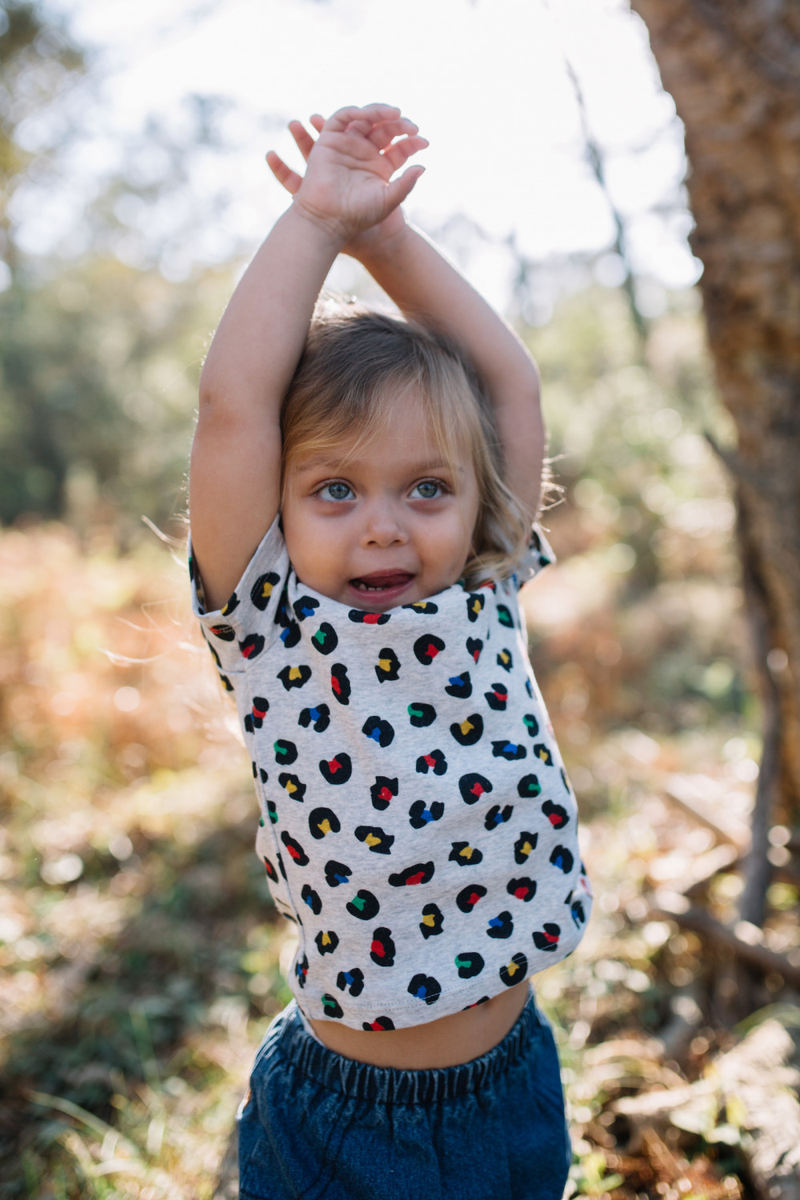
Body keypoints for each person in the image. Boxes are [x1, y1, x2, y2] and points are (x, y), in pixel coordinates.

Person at [189, 102, 591, 1200]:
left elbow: (507, 381)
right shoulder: (271, 625)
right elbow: (232, 409)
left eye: (425, 487)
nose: (383, 525)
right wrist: (318, 221)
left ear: (472, 502)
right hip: (349, 1129)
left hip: (515, 1084)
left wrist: (388, 239)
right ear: (275, 506)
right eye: (333, 488)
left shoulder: (483, 580)